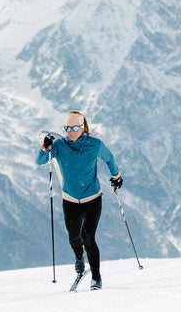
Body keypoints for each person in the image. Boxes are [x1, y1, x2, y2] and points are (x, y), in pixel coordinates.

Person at [36, 111, 122, 290]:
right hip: (70, 200)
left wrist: (116, 175)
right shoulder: (59, 145)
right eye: (68, 128)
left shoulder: (94, 144)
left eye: (75, 128)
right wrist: (45, 148)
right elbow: (40, 161)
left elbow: (109, 158)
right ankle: (78, 258)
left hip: (92, 198)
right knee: (74, 236)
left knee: (88, 237)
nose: (71, 132)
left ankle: (96, 278)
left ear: (82, 127)